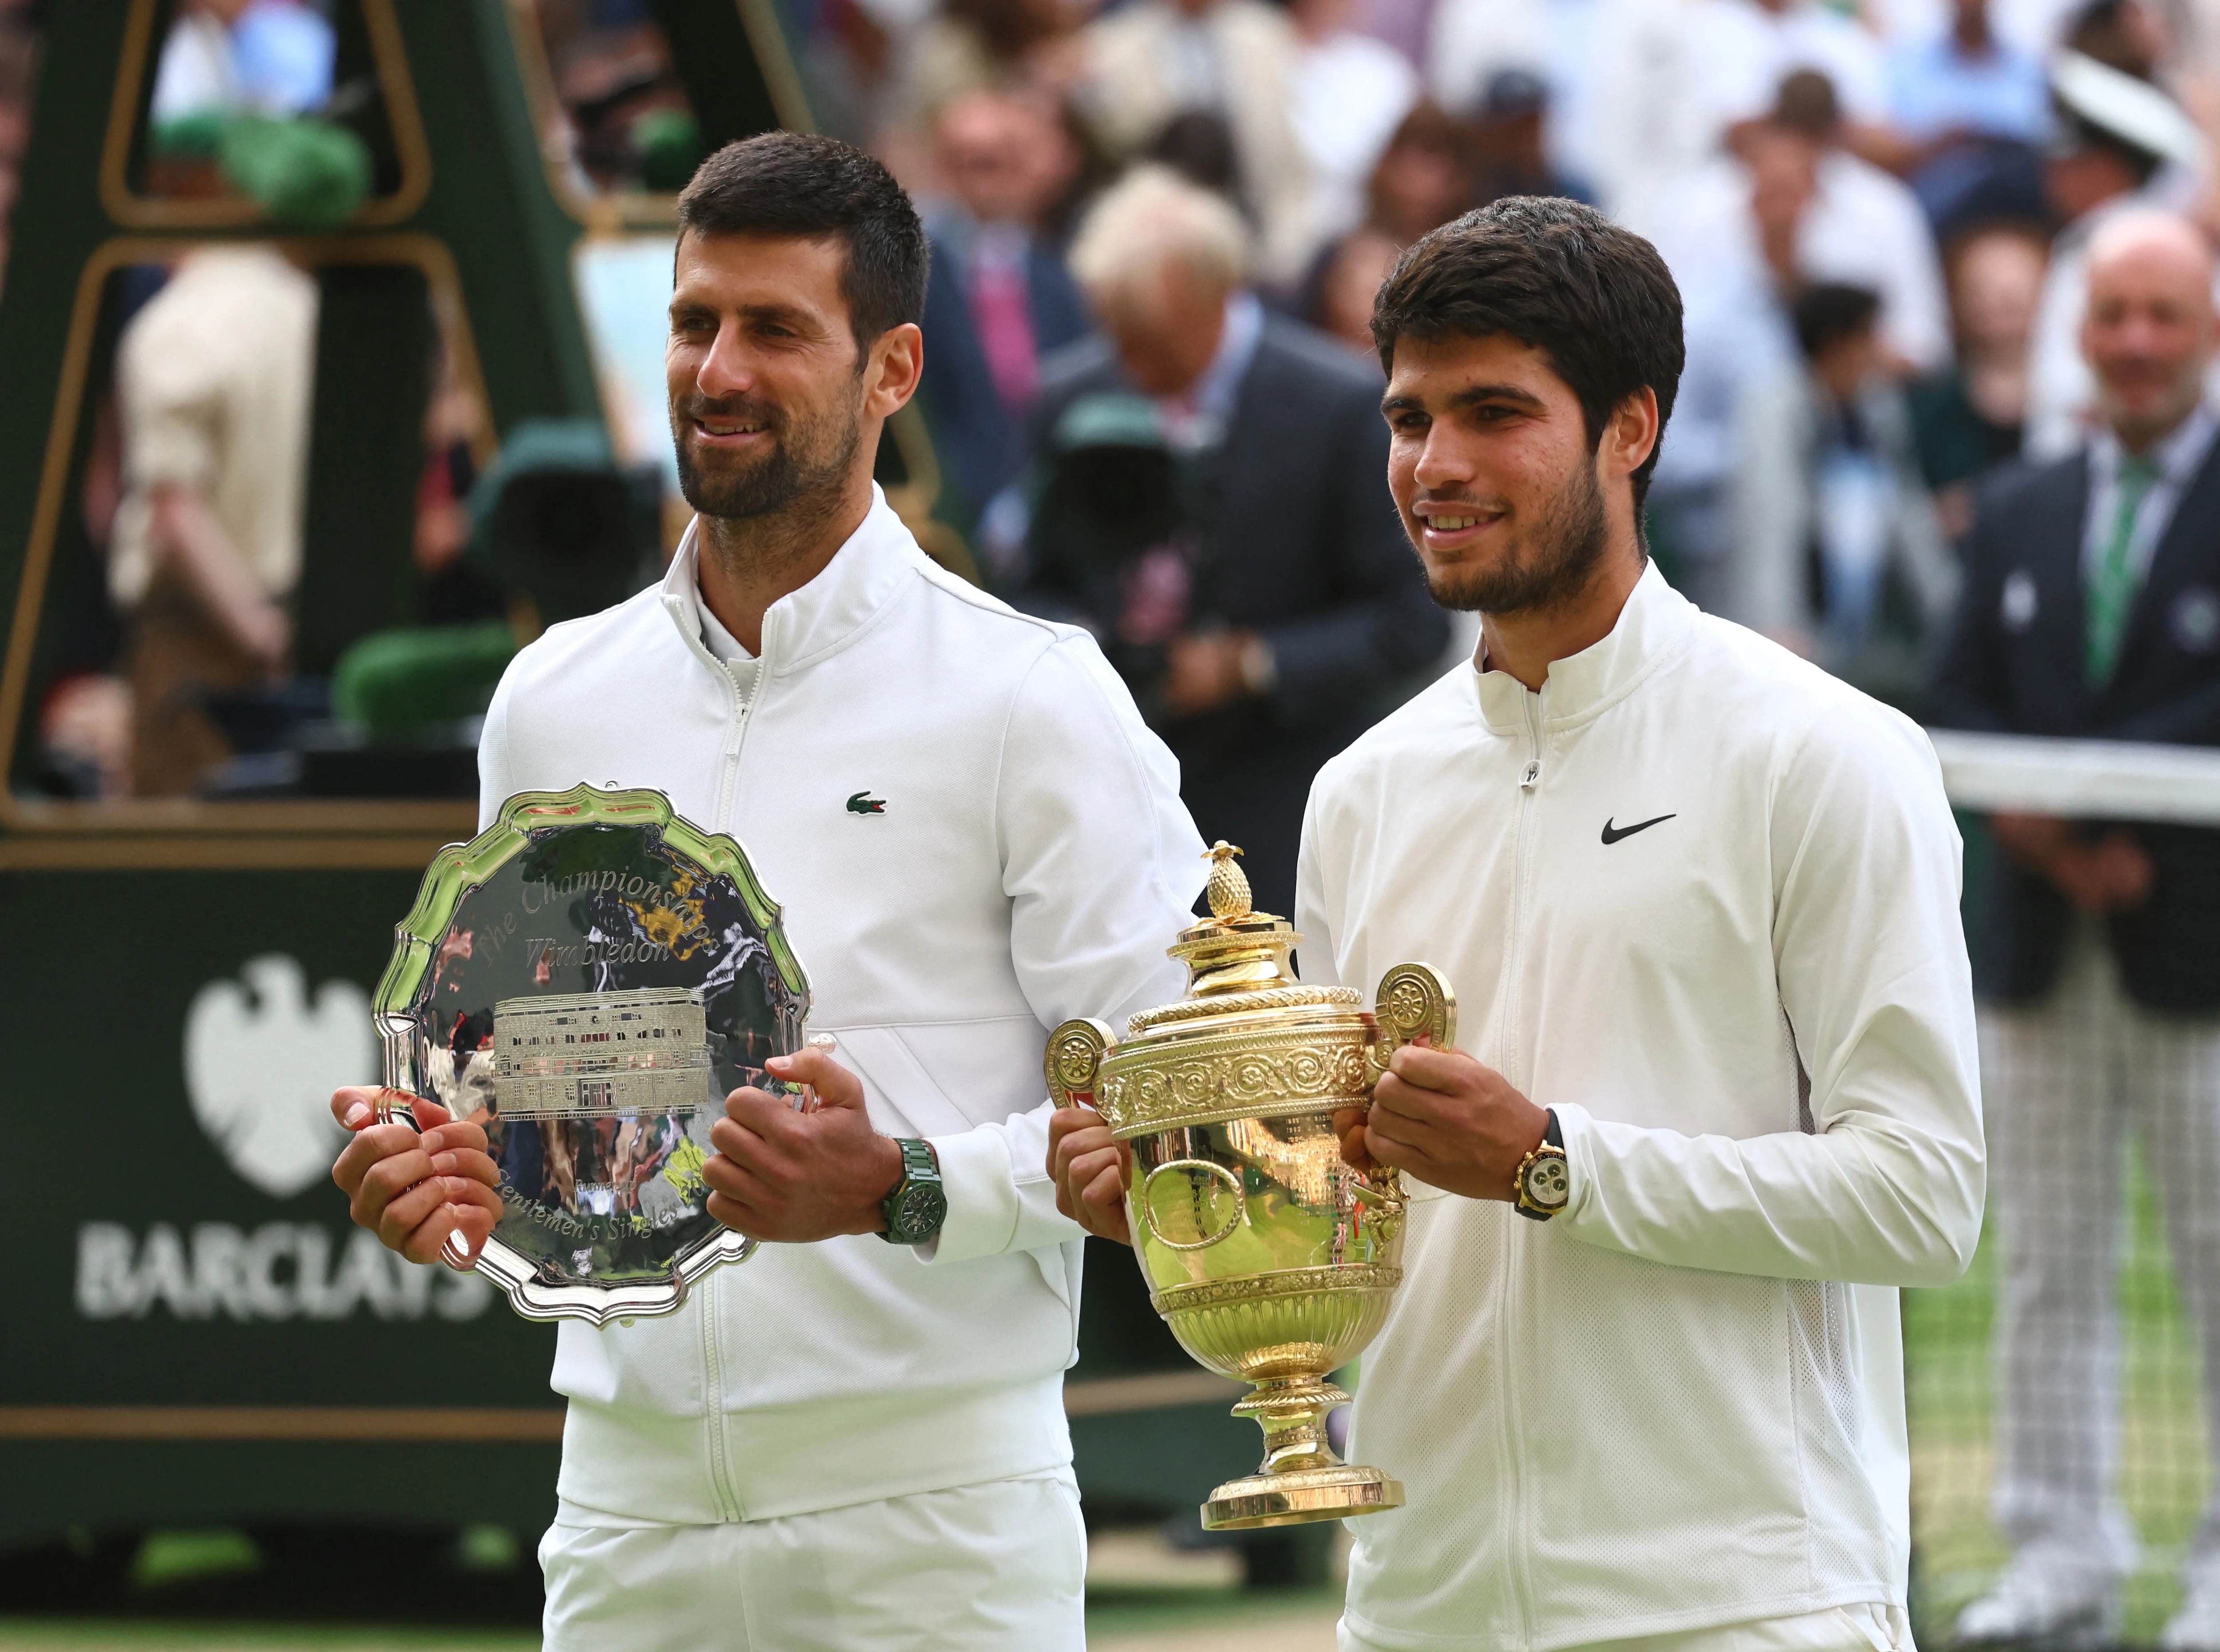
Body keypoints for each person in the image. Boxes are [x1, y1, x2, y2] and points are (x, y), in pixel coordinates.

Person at [1055, 195, 1986, 1650]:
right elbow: (1373, 1194)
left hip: (1737, 1602)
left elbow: (1922, 1198)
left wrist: (1556, 1163)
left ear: (1634, 427)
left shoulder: (1826, 754)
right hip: (1425, 1602)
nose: (1436, 466)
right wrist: (1188, 1196)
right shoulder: (1365, 789)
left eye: (1496, 413)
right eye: (1409, 417)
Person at [328, 132, 1206, 1652]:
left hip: (934, 1533)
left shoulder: (1032, 697)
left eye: (776, 331)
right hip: (622, 1522)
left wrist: (899, 1187)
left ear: (894, 369)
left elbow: (1181, 1120)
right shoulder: (551, 699)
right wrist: (448, 1178)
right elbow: (540, 1103)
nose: (718, 371)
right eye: (693, 323)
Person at [1930, 209, 2220, 1651]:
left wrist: (2130, 832)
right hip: (2041, 950)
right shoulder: (2025, 503)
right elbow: (1957, 686)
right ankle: (2061, 1562)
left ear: (2208, 326)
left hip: (2200, 961)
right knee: (2047, 1257)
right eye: (2114, 314)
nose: (2139, 343)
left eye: (2166, 314)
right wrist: (2045, 829)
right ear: (2082, 332)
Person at [1011, 166, 1445, 918]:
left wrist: (1250, 665)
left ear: (1215, 298)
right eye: (1117, 340)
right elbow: (1029, 588)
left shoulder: (1339, 407)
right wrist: (1098, 654)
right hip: (1116, 812)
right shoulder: (1073, 396)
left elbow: (1413, 623)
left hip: (1290, 812)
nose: (1134, 370)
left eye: (1151, 343)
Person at [1727, 281, 1954, 703]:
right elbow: (1772, 519)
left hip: (1868, 631)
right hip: (1794, 630)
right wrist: (1776, 628)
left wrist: (1951, 616)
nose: (1882, 350)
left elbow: (1908, 513)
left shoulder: (1879, 408)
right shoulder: (1774, 407)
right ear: (1838, 344)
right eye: (1871, 335)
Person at [917, 87, 1090, 525]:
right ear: (943, 172)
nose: (985, 183)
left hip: (1053, 506)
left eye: (998, 165)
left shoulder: (1058, 280)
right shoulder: (911, 283)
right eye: (969, 165)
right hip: (954, 511)